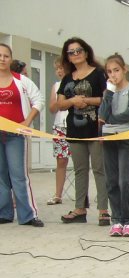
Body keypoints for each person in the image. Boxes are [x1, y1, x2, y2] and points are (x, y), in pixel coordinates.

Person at [57, 37, 110, 226]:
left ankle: (103, 210)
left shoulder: (99, 74)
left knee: (99, 169)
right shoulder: (66, 78)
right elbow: (59, 104)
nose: (76, 54)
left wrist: (86, 101)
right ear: (68, 57)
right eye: (71, 52)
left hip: (95, 129)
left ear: (86, 52)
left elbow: (107, 99)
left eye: (79, 50)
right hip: (74, 130)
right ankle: (80, 209)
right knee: (80, 170)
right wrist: (72, 102)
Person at [98, 53, 129, 237]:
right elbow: (102, 116)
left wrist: (111, 119)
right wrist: (108, 94)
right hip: (108, 139)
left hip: (125, 138)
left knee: (124, 181)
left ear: (124, 69)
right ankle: (117, 219)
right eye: (109, 72)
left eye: (116, 70)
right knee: (111, 181)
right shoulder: (109, 91)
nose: (113, 75)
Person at [0, 43, 44, 227]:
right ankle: (4, 213)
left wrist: (27, 121)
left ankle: (27, 215)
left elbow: (38, 100)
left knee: (19, 175)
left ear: (11, 59)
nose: (2, 59)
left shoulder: (21, 81)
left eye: (5, 56)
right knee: (1, 176)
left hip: (15, 135)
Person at [47, 56, 71, 205]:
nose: (59, 71)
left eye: (61, 68)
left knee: (82, 162)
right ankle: (58, 194)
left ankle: (83, 196)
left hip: (76, 126)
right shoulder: (56, 86)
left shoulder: (76, 83)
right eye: (57, 69)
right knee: (61, 161)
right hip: (60, 126)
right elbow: (51, 108)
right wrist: (58, 102)